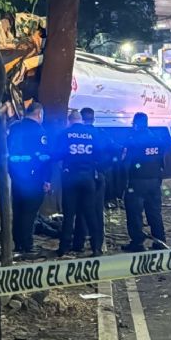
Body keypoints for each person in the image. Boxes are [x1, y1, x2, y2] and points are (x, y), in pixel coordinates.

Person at [55, 110, 104, 257]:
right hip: (88, 178)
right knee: (90, 214)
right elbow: (100, 154)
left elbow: (57, 155)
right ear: (81, 120)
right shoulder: (93, 134)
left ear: (70, 121)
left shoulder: (64, 134)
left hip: (70, 178)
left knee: (69, 215)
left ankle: (64, 247)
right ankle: (96, 247)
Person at [7, 102, 51, 254]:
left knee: (18, 210)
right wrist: (46, 180)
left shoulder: (14, 127)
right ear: (39, 114)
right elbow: (44, 158)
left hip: (16, 175)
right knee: (29, 213)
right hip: (34, 178)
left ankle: (17, 242)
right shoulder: (39, 131)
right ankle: (27, 245)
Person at [121, 113, 167, 252]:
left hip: (137, 182)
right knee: (154, 212)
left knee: (134, 213)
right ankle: (159, 240)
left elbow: (127, 162)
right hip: (154, 181)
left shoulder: (133, 139)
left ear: (135, 123)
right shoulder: (157, 139)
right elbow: (161, 161)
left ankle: (137, 243)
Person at [72, 107, 113, 253]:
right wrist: (103, 169)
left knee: (80, 211)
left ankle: (78, 243)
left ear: (81, 120)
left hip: (79, 177)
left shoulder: (78, 134)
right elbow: (116, 150)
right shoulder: (100, 133)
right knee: (96, 211)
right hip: (98, 177)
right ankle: (98, 245)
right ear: (93, 119)